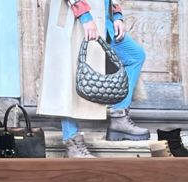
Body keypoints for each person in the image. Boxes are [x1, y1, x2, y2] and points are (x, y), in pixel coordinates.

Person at [39, 0, 149, 158]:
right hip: (75, 16)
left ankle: (119, 118)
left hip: (102, 17)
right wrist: (84, 16)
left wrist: (116, 14)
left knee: (134, 56)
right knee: (68, 77)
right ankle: (72, 142)